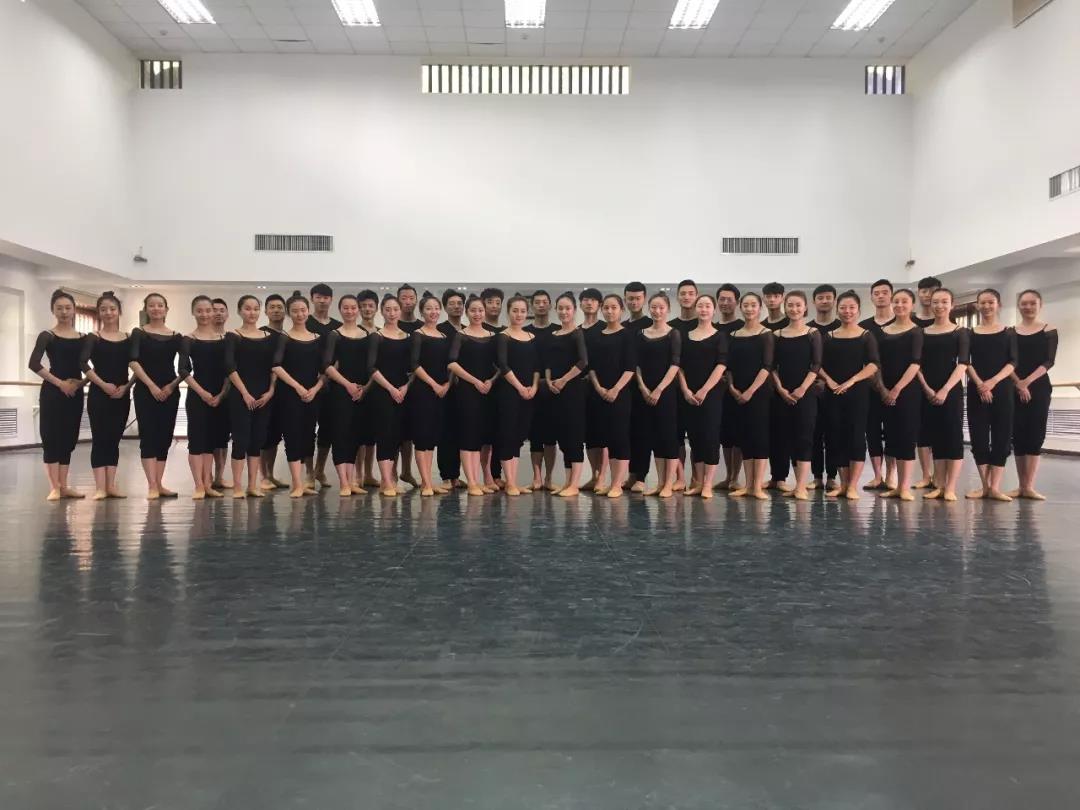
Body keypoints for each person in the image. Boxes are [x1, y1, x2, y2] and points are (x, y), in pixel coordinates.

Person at [818, 291, 880, 500]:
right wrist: (830, 381)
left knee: (856, 437)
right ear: (837, 310)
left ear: (858, 310)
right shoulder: (828, 336)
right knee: (836, 436)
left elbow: (873, 364)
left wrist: (853, 380)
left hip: (858, 393)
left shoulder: (866, 335)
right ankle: (843, 484)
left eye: (852, 307)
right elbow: (817, 364)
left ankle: (853, 485)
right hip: (834, 392)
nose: (847, 311)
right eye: (843, 308)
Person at [28, 289, 86, 500]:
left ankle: (64, 485)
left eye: (68, 308)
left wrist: (81, 383)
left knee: (68, 438)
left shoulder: (84, 338)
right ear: (53, 310)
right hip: (53, 391)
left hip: (75, 393)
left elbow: (94, 366)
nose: (64, 312)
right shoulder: (47, 335)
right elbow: (34, 364)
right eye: (59, 308)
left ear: (74, 310)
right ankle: (54, 487)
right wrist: (60, 383)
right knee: (51, 436)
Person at [916, 288, 969, 502]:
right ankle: (938, 484)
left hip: (951, 391)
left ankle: (950, 487)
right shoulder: (922, 332)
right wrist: (927, 388)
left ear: (952, 305)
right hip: (927, 390)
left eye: (944, 302)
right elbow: (916, 364)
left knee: (953, 437)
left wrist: (945, 389)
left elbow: (963, 363)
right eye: (936, 302)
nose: (939, 306)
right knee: (935, 437)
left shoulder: (960, 332)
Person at [129, 293, 183, 499]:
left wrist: (171, 386)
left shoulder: (176, 336)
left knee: (164, 437)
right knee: (148, 436)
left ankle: (159, 483)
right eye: (152, 305)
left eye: (160, 305)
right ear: (146, 309)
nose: (156, 309)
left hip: (170, 391)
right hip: (145, 390)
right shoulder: (139, 333)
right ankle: (151, 485)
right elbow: (133, 361)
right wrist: (151, 386)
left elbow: (185, 367)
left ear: (166, 309)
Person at [272, 292, 325, 498]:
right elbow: (276, 366)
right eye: (295, 311)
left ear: (308, 311)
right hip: (290, 395)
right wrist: (298, 387)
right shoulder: (284, 338)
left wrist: (315, 388)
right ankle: (296, 484)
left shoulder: (317, 338)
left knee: (308, 436)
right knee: (292, 435)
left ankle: (304, 481)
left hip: (312, 395)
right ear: (289, 313)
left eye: (303, 310)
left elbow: (325, 369)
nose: (300, 314)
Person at [966, 289, 1017, 501]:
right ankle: (985, 486)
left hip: (1002, 389)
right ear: (977, 305)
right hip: (976, 390)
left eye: (991, 302)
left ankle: (995, 487)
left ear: (998, 305)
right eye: (983, 303)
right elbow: (965, 361)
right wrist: (980, 384)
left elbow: (1013, 362)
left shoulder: (1009, 332)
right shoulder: (969, 333)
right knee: (978, 437)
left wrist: (992, 382)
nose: (987, 306)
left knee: (1001, 437)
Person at [80, 291, 132, 500]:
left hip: (121, 395)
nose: (108, 313)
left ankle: (111, 485)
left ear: (119, 311)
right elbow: (83, 363)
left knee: (114, 440)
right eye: (103, 309)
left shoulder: (128, 338)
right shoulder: (93, 338)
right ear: (98, 313)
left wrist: (126, 387)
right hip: (99, 395)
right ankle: (100, 487)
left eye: (112, 309)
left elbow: (138, 365)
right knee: (100, 439)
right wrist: (102, 384)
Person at [770, 291, 822, 500]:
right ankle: (784, 480)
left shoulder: (813, 333)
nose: (794, 309)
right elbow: (771, 366)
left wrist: (802, 389)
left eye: (798, 305)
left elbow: (816, 364)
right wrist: (781, 389)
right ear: (785, 307)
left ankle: (801, 486)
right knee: (783, 437)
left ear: (805, 307)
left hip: (805, 394)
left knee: (804, 438)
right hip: (782, 394)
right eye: (790, 305)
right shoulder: (777, 335)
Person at [224, 295, 277, 498]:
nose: (252, 312)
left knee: (257, 441)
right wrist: (244, 393)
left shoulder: (268, 337)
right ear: (239, 311)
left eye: (256, 308)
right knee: (241, 440)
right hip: (241, 395)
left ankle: (252, 485)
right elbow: (230, 366)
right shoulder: (233, 335)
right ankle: (238, 486)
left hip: (264, 396)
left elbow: (274, 366)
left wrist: (271, 390)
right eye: (247, 308)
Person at [179, 296, 230, 499]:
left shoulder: (224, 340)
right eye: (199, 311)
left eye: (208, 310)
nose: (205, 314)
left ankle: (208, 484)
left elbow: (230, 370)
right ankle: (199, 485)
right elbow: (183, 370)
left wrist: (221, 394)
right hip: (198, 396)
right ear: (193, 312)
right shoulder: (188, 339)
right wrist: (202, 393)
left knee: (211, 441)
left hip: (220, 397)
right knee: (197, 441)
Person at [678, 294, 728, 498]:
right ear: (695, 309)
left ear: (713, 310)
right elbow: (679, 366)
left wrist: (705, 389)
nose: (704, 309)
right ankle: (698, 482)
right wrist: (686, 390)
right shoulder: (686, 336)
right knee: (695, 437)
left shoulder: (720, 336)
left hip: (711, 394)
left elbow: (721, 365)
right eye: (700, 306)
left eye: (708, 306)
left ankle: (708, 484)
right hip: (689, 394)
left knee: (710, 436)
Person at [727, 293, 776, 500]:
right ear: (740, 307)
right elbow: (729, 367)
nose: (749, 309)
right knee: (745, 437)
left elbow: (767, 366)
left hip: (759, 393)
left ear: (760, 307)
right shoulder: (734, 335)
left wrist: (750, 391)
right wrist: (732, 387)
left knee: (759, 437)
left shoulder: (766, 334)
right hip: (737, 393)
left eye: (753, 305)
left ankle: (757, 486)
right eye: (745, 305)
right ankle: (748, 485)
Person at [876, 289, 924, 501]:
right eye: (896, 301)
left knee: (906, 436)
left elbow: (915, 363)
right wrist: (882, 389)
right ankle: (893, 483)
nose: (900, 305)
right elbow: (876, 363)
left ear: (912, 305)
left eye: (904, 301)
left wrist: (896, 389)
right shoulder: (882, 331)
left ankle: (904, 487)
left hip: (907, 392)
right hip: (884, 391)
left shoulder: (916, 332)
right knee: (891, 436)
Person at [322, 295, 371, 496]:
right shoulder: (335, 335)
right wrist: (347, 385)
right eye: (346, 308)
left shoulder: (366, 335)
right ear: (340, 309)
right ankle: (343, 482)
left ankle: (351, 481)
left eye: (353, 308)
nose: (350, 311)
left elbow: (371, 366)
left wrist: (364, 388)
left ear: (358, 310)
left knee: (355, 435)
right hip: (341, 391)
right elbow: (327, 366)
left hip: (361, 393)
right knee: (341, 434)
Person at [448, 296, 498, 496]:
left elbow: (500, 365)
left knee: (484, 437)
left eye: (480, 310)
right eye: (473, 310)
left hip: (488, 391)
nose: (477, 314)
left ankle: (482, 478)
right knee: (469, 436)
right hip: (468, 392)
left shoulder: (493, 336)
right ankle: (471, 481)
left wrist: (491, 381)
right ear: (467, 312)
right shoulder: (461, 335)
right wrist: (475, 381)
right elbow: (452, 363)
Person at [1010, 289, 1056, 500]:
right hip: (1014, 385)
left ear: (1040, 305)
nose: (1028, 307)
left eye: (1032, 303)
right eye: (1024, 303)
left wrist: (1026, 382)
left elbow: (1049, 361)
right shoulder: (1011, 332)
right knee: (1018, 434)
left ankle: (1029, 486)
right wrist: (1018, 383)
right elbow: (1009, 361)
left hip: (1039, 386)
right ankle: (1021, 486)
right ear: (1018, 305)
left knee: (1035, 434)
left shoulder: (1049, 330)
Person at [589, 294, 636, 498]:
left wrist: (616, 389)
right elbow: (591, 367)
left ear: (621, 310)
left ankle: (617, 483)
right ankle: (609, 482)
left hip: (620, 394)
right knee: (606, 438)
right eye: (606, 308)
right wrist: (599, 388)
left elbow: (630, 367)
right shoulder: (597, 335)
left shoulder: (627, 335)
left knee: (620, 438)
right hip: (599, 394)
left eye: (614, 307)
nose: (609, 311)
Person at [635, 293, 681, 498]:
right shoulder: (641, 334)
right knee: (652, 437)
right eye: (653, 307)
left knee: (668, 438)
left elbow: (675, 364)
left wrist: (659, 389)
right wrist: (643, 388)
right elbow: (636, 365)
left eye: (661, 307)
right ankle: (660, 482)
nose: (657, 311)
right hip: (645, 392)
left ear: (668, 309)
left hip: (666, 393)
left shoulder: (673, 333)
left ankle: (669, 484)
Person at [545, 292, 589, 497]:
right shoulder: (553, 335)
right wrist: (550, 381)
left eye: (567, 308)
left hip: (572, 390)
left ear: (574, 310)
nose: (564, 312)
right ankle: (567, 482)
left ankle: (575, 484)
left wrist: (563, 380)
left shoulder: (577, 334)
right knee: (562, 437)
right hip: (554, 390)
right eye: (560, 308)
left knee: (574, 436)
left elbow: (583, 362)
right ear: (556, 310)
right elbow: (548, 363)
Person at [367, 295, 412, 496]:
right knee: (384, 435)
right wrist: (391, 388)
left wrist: (405, 388)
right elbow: (371, 367)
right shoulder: (376, 337)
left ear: (400, 311)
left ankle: (392, 479)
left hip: (402, 392)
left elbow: (412, 368)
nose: (392, 313)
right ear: (382, 311)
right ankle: (386, 481)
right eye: (388, 309)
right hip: (383, 392)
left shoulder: (407, 337)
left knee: (397, 436)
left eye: (395, 309)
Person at [495, 296, 540, 495]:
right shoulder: (503, 336)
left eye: (522, 311)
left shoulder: (531, 337)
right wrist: (519, 387)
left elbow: (537, 367)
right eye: (515, 311)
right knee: (508, 434)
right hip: (509, 392)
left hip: (529, 393)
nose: (519, 314)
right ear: (508, 312)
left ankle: (513, 481)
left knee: (519, 436)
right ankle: (510, 482)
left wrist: (534, 387)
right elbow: (503, 365)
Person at [409, 294, 452, 496]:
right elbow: (414, 364)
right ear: (421, 312)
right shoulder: (417, 334)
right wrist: (434, 384)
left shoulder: (444, 336)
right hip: (423, 391)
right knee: (422, 436)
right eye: (428, 308)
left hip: (441, 392)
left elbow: (449, 364)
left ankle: (430, 481)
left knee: (432, 437)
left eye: (436, 308)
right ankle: (425, 483)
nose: (433, 312)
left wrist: (446, 384)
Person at [858, 278, 895, 491]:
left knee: (893, 432)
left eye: (884, 292)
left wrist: (891, 389)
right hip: (870, 387)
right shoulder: (864, 327)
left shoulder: (901, 323)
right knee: (871, 431)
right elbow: (864, 361)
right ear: (871, 297)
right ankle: (877, 475)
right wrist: (879, 387)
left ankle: (891, 476)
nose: (881, 296)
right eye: (876, 293)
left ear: (891, 295)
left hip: (897, 388)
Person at [305, 283, 341, 489]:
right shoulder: (305, 323)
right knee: (308, 429)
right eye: (318, 297)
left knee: (328, 429)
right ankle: (309, 472)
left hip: (332, 384)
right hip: (309, 384)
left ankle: (319, 469)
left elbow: (340, 357)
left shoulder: (337, 326)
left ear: (331, 300)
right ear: (312, 298)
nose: (322, 300)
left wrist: (328, 375)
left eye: (326, 297)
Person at [525, 289, 559, 490]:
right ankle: (536, 477)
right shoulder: (526, 332)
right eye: (537, 302)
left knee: (550, 436)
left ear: (550, 305)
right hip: (531, 389)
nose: (540, 305)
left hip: (553, 389)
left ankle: (549, 478)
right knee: (535, 435)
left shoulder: (557, 331)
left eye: (544, 302)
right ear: (532, 306)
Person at [809, 284, 841, 492]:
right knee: (813, 434)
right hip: (812, 389)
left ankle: (832, 476)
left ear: (834, 300)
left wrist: (830, 382)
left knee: (834, 434)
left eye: (828, 297)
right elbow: (808, 360)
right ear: (814, 302)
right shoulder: (808, 329)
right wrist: (817, 380)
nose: (824, 301)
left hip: (836, 389)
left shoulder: (841, 327)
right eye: (820, 298)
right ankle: (816, 477)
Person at [622, 281, 653, 491]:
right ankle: (632, 475)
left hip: (644, 385)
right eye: (630, 298)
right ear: (625, 299)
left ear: (644, 299)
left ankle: (641, 477)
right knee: (629, 432)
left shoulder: (650, 324)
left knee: (643, 432)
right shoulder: (623, 326)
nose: (634, 302)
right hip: (625, 387)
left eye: (638, 298)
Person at [715, 283, 744, 491]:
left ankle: (735, 477)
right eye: (722, 299)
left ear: (737, 302)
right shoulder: (712, 328)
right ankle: (728, 476)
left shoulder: (743, 327)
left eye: (729, 299)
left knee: (737, 433)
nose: (725, 303)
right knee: (724, 435)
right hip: (716, 389)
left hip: (738, 387)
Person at [436, 289, 466, 490]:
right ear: (445, 307)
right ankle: (447, 476)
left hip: (465, 388)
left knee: (461, 432)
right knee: (445, 432)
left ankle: (456, 475)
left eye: (459, 304)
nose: (456, 307)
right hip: (445, 386)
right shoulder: (440, 330)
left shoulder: (468, 329)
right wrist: (447, 381)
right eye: (452, 303)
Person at [259, 293, 288, 489]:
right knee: (265, 434)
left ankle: (270, 474)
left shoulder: (287, 335)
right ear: (266, 311)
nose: (276, 310)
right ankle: (263, 476)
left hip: (284, 392)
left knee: (276, 435)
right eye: (272, 307)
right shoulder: (262, 334)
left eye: (279, 307)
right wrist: (270, 388)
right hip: (265, 390)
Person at [579, 287, 607, 492]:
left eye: (593, 300)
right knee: (588, 434)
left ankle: (602, 477)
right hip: (580, 388)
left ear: (599, 305)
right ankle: (594, 475)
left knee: (603, 432)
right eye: (585, 300)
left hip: (602, 386)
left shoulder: (605, 328)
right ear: (580, 304)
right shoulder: (576, 330)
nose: (589, 303)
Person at [354, 289, 380, 487]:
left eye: (371, 306)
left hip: (377, 387)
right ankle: (358, 474)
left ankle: (369, 473)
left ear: (376, 308)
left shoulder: (380, 332)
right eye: (363, 306)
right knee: (359, 434)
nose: (367, 309)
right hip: (358, 387)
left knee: (372, 435)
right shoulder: (354, 332)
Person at [210, 297, 232, 489]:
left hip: (227, 392)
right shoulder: (197, 338)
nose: (217, 313)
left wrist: (223, 393)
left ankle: (219, 476)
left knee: (222, 437)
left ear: (227, 314)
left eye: (221, 310)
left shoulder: (231, 339)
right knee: (204, 437)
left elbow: (232, 369)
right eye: (214, 310)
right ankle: (205, 477)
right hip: (203, 393)